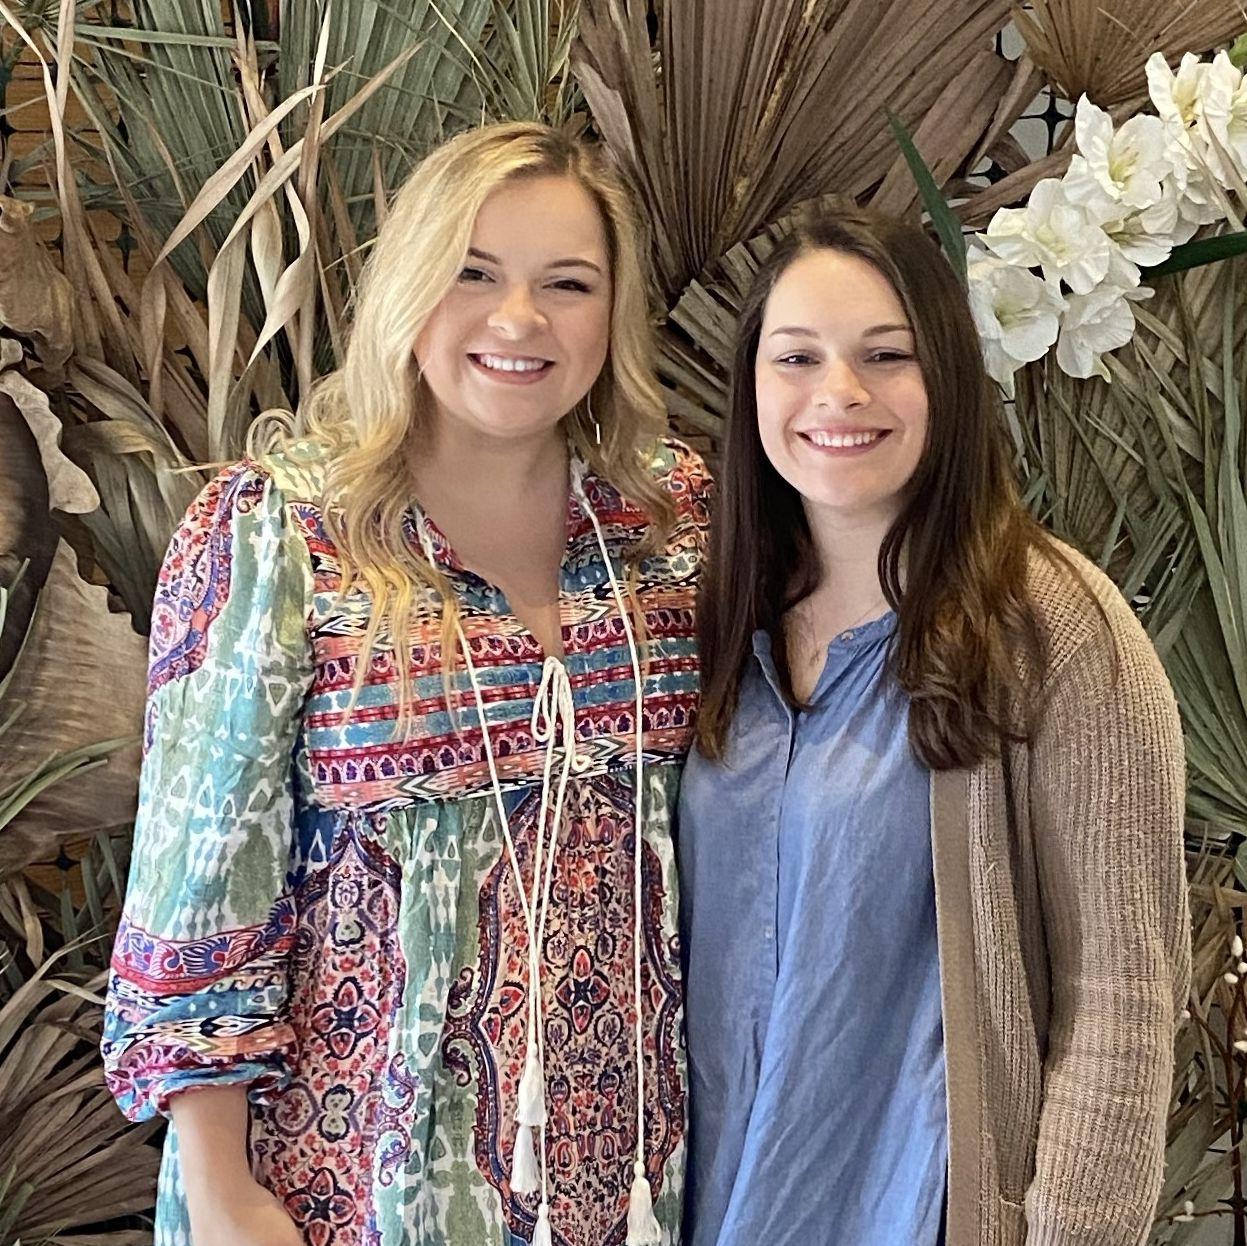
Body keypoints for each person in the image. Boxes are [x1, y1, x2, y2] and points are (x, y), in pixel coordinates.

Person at [103, 121, 711, 1246]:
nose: (517, 319)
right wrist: (224, 1191)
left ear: (613, 313)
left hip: (633, 1174)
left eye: (566, 283)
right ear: (409, 284)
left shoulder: (672, 524)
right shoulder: (280, 531)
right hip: (349, 1184)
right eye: (473, 273)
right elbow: (197, 889)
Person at [677, 205, 1190, 1246]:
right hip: (713, 1204)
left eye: (885, 354)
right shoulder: (713, 615)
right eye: (797, 357)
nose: (838, 392)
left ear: (946, 376)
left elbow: (1122, 998)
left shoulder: (1052, 630)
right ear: (751, 387)